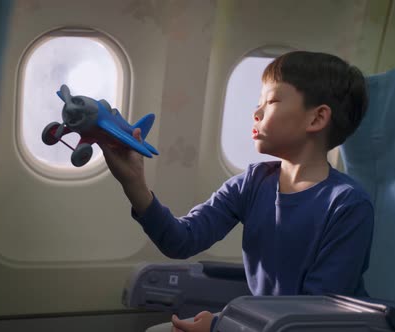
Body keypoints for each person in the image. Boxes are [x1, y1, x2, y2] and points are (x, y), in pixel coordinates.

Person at [100, 51, 374, 332]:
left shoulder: (347, 205)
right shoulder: (253, 183)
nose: (256, 113)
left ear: (316, 119)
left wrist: (219, 325)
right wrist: (134, 184)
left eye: (272, 101)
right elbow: (181, 241)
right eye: (259, 103)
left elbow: (315, 315)